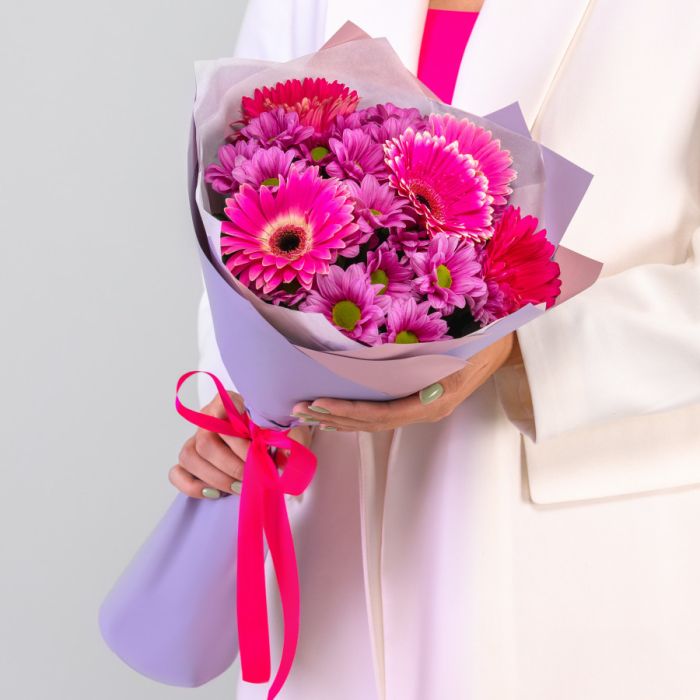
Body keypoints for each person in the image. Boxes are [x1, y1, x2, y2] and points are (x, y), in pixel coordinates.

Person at [171, 0, 700, 697]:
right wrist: (236, 407)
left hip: (566, 545)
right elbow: (239, 202)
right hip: (326, 520)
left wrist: (520, 353)